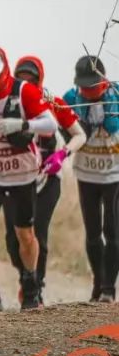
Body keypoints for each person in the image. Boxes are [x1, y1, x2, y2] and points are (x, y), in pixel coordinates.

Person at [0, 46, 58, 311]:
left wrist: (22, 124)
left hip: (21, 172)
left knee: (24, 233)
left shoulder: (24, 91)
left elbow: (50, 124)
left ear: (5, 70)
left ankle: (30, 286)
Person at [2, 56, 86, 304]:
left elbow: (80, 135)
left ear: (40, 80)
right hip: (16, 178)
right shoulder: (8, 105)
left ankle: (36, 287)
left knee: (37, 231)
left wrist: (63, 153)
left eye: (32, 79)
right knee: (12, 237)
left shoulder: (53, 103)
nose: (27, 83)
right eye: (21, 78)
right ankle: (25, 277)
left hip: (48, 178)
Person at [63, 55, 119, 302]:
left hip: (115, 173)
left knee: (113, 230)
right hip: (86, 173)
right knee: (93, 232)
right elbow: (60, 125)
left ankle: (109, 287)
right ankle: (98, 280)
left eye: (92, 86)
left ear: (104, 82)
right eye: (83, 87)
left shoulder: (116, 97)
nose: (87, 91)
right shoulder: (71, 99)